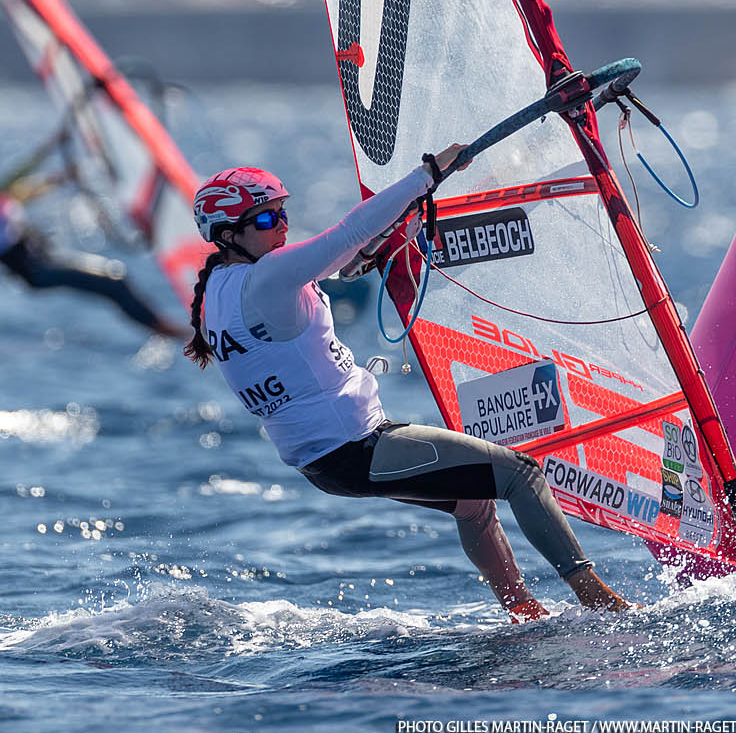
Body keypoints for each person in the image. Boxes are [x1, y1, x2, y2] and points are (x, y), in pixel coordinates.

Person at [184, 151, 631, 620]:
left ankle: (523, 613)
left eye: (284, 212)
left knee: (475, 506)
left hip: (323, 460)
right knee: (520, 473)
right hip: (355, 446)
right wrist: (427, 176)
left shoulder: (218, 290)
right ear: (229, 235)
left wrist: (376, 245)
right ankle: (598, 598)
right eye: (267, 218)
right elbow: (345, 235)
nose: (282, 225)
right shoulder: (268, 276)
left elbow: (338, 260)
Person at [0, 136, 185, 338]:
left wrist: (59, 179)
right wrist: (47, 149)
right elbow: (5, 185)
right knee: (113, 282)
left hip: (44, 258)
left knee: (115, 280)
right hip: (36, 271)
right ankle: (169, 331)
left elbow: (19, 194)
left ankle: (168, 327)